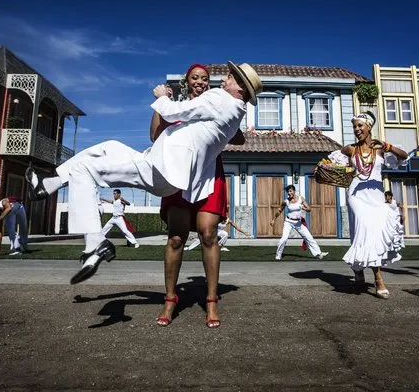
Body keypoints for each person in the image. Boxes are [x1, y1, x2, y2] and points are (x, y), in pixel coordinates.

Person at [25, 62, 262, 288]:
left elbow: (172, 112)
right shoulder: (235, 112)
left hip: (163, 168)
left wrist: (162, 96)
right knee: (107, 147)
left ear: (240, 87)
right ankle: (48, 184)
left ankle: (95, 242)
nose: (224, 79)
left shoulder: (220, 99)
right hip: (161, 168)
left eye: (230, 76)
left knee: (85, 170)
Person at [151, 64, 245, 328]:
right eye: (196, 78)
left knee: (208, 234)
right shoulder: (177, 105)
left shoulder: (218, 104)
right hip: (180, 173)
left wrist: (217, 128)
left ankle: (212, 300)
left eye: (205, 79)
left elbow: (239, 138)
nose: (201, 82)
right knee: (177, 237)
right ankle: (170, 299)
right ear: (187, 82)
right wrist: (164, 103)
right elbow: (153, 135)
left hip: (209, 171)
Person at [335, 111, 408, 298]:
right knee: (364, 227)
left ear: (369, 127)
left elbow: (404, 156)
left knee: (368, 235)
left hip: (376, 196)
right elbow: (329, 163)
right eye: (355, 127)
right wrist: (322, 168)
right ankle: (378, 278)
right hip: (356, 195)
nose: (357, 130)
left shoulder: (380, 149)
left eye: (360, 126)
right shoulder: (350, 149)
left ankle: (357, 269)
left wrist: (388, 146)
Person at [270, 185, 329, 260]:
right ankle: (278, 255)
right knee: (284, 239)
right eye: (288, 192)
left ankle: (319, 253)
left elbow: (309, 209)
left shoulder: (301, 199)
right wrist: (273, 219)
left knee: (309, 237)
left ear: (294, 191)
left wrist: (303, 208)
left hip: (298, 222)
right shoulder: (286, 201)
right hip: (288, 222)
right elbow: (279, 210)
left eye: (291, 191)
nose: (289, 193)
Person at [184, 211, 251, 252]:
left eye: (226, 216)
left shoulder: (228, 221)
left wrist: (244, 233)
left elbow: (236, 227)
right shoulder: (218, 218)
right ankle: (189, 248)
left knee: (225, 234)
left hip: (219, 232)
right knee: (201, 239)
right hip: (212, 230)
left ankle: (220, 246)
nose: (224, 218)